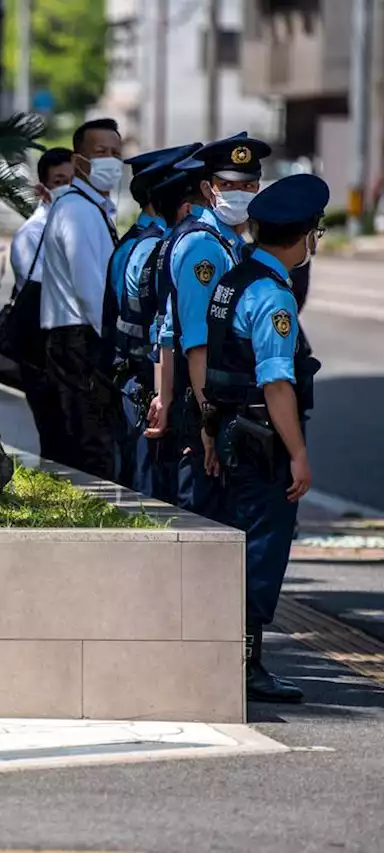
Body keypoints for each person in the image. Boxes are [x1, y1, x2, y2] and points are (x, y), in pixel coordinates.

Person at [201, 173, 328, 703]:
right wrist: (298, 454)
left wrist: (209, 431)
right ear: (304, 238)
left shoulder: (232, 280)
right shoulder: (273, 296)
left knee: (235, 545)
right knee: (261, 550)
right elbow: (276, 381)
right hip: (260, 442)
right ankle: (246, 665)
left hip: (230, 433)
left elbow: (213, 363)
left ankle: (229, 657)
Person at [164, 132, 271, 521]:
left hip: (222, 406)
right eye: (229, 185)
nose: (240, 193)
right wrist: (208, 420)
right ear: (210, 189)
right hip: (207, 409)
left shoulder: (231, 244)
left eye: (249, 185)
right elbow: (197, 343)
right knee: (207, 525)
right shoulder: (205, 248)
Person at [105, 142, 202, 494]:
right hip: (149, 385)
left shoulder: (136, 241)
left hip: (137, 382)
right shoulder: (154, 247)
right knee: (153, 494)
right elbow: (162, 326)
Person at [37, 117, 122, 479]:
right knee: (92, 441)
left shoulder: (89, 208)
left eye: (116, 153)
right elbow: (92, 290)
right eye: (100, 152)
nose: (110, 160)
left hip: (78, 335)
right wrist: (114, 341)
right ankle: (97, 524)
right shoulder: (79, 211)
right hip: (80, 337)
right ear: (79, 160)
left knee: (86, 437)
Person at [8, 146, 74, 460]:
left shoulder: (82, 225)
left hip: (72, 348)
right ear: (42, 189)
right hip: (42, 349)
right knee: (55, 431)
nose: (69, 189)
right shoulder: (31, 234)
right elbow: (45, 286)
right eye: (60, 181)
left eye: (74, 180)